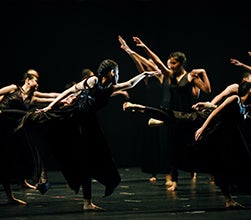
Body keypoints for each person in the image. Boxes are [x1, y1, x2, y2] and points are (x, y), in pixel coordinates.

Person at [17, 59, 158, 211]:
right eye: (117, 72)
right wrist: (50, 107)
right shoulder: (93, 80)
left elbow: (129, 84)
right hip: (73, 118)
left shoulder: (110, 88)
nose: (118, 75)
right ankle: (16, 122)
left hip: (89, 126)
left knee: (92, 160)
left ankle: (87, 202)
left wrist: (144, 74)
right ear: (111, 72)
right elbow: (70, 91)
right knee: (42, 122)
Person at [123, 81, 251, 208]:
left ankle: (229, 200)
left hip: (216, 137)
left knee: (219, 166)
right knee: (173, 116)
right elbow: (216, 111)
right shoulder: (235, 99)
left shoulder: (246, 107)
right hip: (201, 120)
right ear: (249, 91)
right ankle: (139, 107)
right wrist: (202, 127)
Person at [132, 36, 212, 191]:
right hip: (174, 116)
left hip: (188, 116)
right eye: (170, 62)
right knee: (173, 147)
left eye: (174, 63)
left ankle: (207, 172)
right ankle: (174, 180)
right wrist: (143, 46)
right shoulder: (169, 75)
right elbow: (156, 60)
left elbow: (207, 90)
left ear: (181, 63)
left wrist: (203, 72)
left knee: (192, 146)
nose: (171, 65)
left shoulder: (191, 77)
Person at [0, 69, 59, 205]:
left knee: (7, 162)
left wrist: (68, 96)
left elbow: (51, 96)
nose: (38, 84)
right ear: (28, 80)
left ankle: (11, 196)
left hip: (12, 131)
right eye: (36, 81)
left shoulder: (32, 98)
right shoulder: (13, 88)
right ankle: (11, 195)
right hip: (2, 125)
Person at [118, 35, 172, 184]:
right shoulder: (149, 78)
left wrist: (130, 50)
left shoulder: (164, 76)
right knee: (153, 143)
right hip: (150, 109)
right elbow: (140, 66)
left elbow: (153, 64)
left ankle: (169, 174)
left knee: (164, 143)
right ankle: (154, 171)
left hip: (162, 110)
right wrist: (130, 53)